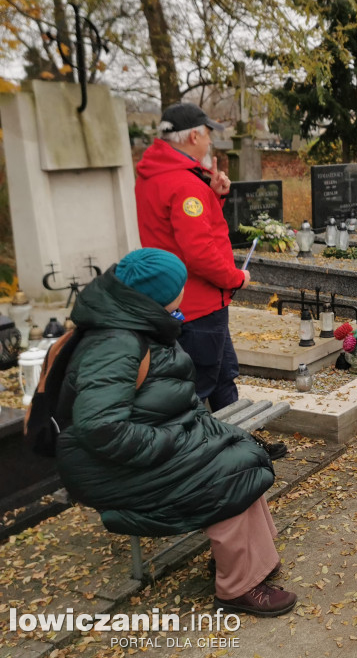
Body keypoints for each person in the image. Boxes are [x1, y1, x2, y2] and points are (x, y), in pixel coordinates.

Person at [55, 249, 296, 616]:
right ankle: (237, 588)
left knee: (244, 451)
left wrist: (197, 434)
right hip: (111, 469)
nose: (185, 290)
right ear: (162, 294)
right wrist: (172, 442)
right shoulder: (116, 343)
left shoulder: (140, 322)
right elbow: (100, 427)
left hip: (146, 446)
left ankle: (251, 561)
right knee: (226, 475)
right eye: (179, 284)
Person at [135, 103, 288, 459]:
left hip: (181, 300)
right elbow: (199, 252)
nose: (209, 144)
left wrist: (214, 196)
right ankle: (201, 464)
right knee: (201, 383)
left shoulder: (155, 174)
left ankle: (242, 443)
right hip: (200, 304)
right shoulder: (184, 183)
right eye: (207, 135)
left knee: (221, 376)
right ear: (193, 136)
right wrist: (237, 278)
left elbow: (178, 234)